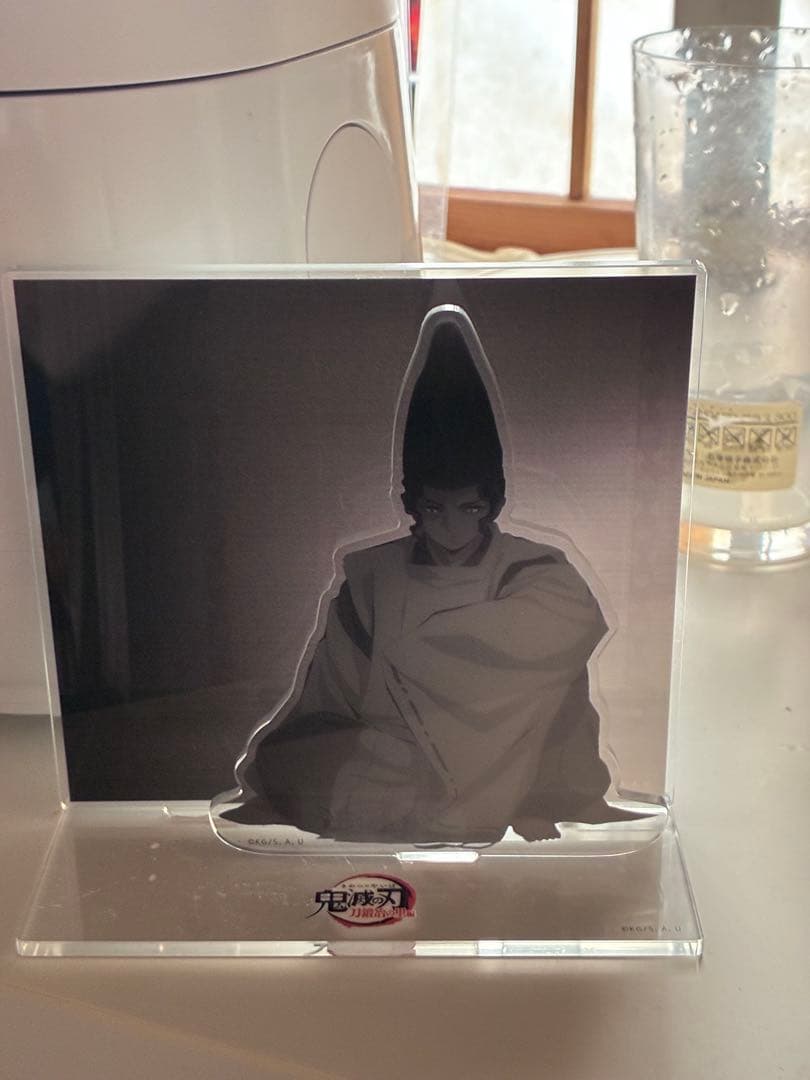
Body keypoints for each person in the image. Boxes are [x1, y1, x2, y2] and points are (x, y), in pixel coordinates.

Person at [217, 307, 628, 843]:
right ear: (413, 505)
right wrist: (373, 736)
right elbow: (332, 696)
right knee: (312, 766)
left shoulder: (533, 570)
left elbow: (560, 631)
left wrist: (413, 660)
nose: (452, 527)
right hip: (391, 754)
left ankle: (488, 803)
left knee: (517, 749)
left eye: (469, 508)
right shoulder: (373, 579)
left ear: (492, 504)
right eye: (435, 509)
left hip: (513, 754)